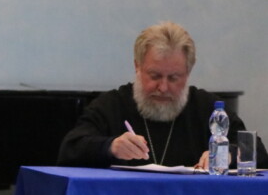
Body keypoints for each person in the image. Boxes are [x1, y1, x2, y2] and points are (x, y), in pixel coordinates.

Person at [58, 21, 268, 170]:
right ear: (137, 67)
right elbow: (70, 149)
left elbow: (256, 150)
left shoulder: (207, 108)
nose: (163, 87)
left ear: (188, 73)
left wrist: (227, 153)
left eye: (174, 78)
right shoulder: (111, 105)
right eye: (155, 76)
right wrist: (110, 147)